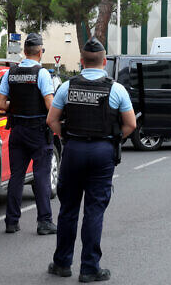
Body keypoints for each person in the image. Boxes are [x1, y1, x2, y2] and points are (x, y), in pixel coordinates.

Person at [46, 37, 136, 283]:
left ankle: (62, 263)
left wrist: (66, 136)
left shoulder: (67, 87)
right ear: (104, 62)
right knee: (94, 210)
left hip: (73, 149)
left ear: (82, 61)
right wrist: (113, 140)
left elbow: (51, 120)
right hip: (102, 151)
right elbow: (131, 124)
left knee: (68, 210)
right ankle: (89, 268)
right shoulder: (116, 89)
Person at [0, 33, 56, 235]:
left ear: (24, 51)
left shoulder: (10, 73)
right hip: (38, 131)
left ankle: (11, 222)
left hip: (17, 131)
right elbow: (50, 105)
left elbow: (0, 105)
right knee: (41, 177)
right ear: (39, 52)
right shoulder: (42, 74)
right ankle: (44, 222)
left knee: (17, 177)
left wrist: (17, 105)